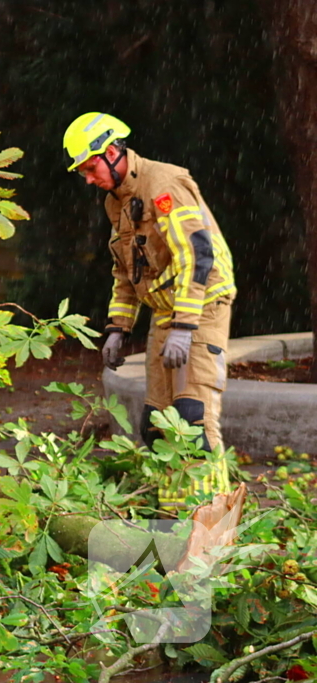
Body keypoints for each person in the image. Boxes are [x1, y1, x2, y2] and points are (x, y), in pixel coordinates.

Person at [62, 112, 237, 510]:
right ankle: (176, 513)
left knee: (193, 419)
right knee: (157, 424)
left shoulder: (164, 183)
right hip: (165, 310)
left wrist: (184, 326)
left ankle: (215, 520)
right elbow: (126, 270)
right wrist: (118, 327)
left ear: (111, 152)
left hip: (202, 304)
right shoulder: (117, 201)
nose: (89, 178)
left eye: (91, 168)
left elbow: (198, 255)